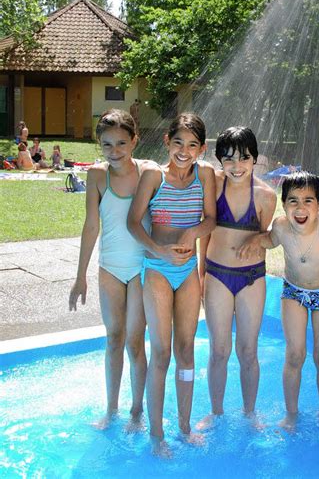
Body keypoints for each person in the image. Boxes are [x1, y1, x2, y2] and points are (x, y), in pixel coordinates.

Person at [239, 171, 319, 429]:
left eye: (308, 201)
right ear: (284, 203)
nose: (300, 208)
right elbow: (269, 240)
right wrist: (255, 239)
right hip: (294, 292)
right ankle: (291, 414)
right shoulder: (280, 227)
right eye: (293, 201)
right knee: (295, 355)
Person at [127, 112, 216, 456]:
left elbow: (211, 219)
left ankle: (183, 425)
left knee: (186, 351)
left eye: (193, 145)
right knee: (161, 352)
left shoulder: (204, 175)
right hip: (158, 269)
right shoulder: (154, 176)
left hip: (188, 270)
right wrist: (159, 250)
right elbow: (134, 222)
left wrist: (193, 231)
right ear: (167, 141)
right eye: (178, 142)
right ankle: (157, 435)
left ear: (201, 149)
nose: (184, 150)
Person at [69, 109, 153, 432]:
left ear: (135, 140)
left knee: (135, 341)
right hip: (110, 269)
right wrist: (80, 276)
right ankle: (112, 409)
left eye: (121, 143)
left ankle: (137, 412)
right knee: (114, 337)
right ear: (99, 145)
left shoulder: (148, 173)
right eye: (107, 145)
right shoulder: (96, 176)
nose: (114, 151)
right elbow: (91, 226)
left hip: (142, 268)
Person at [197, 127, 276, 430]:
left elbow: (267, 236)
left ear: (255, 159)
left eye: (244, 158)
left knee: (248, 350)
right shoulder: (214, 186)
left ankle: (249, 412)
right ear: (219, 161)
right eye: (228, 159)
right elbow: (206, 230)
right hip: (217, 274)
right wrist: (202, 273)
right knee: (219, 349)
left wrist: (258, 241)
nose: (236, 166)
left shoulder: (266, 196)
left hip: (251, 278)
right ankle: (216, 412)